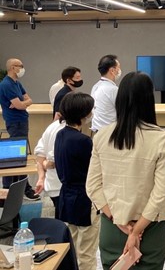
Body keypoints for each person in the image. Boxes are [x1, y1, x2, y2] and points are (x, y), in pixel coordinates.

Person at [86, 72, 165, 270]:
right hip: (151, 228)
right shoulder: (160, 138)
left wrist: (119, 222)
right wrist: (136, 231)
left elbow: (92, 186)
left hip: (112, 228)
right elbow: (160, 194)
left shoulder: (101, 136)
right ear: (149, 99)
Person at [55, 92, 100, 270]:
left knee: (72, 247)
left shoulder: (61, 135)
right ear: (83, 114)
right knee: (87, 251)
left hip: (66, 196)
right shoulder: (84, 141)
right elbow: (95, 172)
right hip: (84, 198)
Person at [0, 58, 39, 200]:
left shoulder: (17, 83)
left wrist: (23, 102)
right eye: (20, 66)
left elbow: (28, 100)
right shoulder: (6, 85)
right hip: (15, 122)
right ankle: (13, 189)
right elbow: (19, 105)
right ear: (12, 67)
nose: (22, 68)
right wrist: (22, 103)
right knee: (15, 156)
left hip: (21, 121)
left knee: (19, 155)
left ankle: (18, 187)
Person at [34, 118, 66, 218]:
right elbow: (51, 162)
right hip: (62, 186)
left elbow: (40, 155)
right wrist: (47, 164)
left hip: (53, 185)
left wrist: (41, 178)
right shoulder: (65, 132)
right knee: (65, 222)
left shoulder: (53, 126)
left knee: (59, 216)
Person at [90, 54, 121, 133]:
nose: (119, 70)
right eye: (118, 67)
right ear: (112, 71)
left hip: (97, 131)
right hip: (110, 133)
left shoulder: (95, 87)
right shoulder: (113, 90)